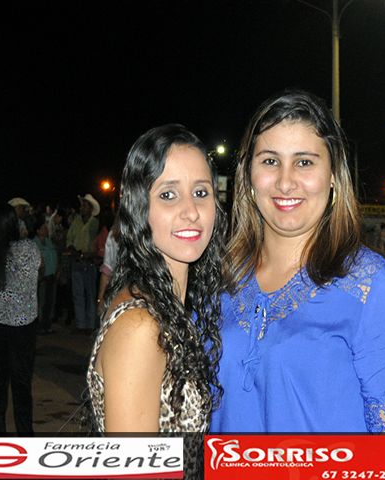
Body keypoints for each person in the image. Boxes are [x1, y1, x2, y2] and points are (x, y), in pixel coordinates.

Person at [211, 90, 385, 433]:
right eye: (270, 161)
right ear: (248, 176)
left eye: (305, 162)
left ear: (333, 176)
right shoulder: (220, 279)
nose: (285, 181)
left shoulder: (369, 285)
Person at [86, 124, 226, 443]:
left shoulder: (166, 307)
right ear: (140, 209)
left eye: (201, 192)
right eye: (168, 195)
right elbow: (133, 464)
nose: (191, 211)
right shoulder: (141, 327)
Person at [0, 204, 41, 433]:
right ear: (14, 224)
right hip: (22, 325)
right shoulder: (28, 249)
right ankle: (25, 434)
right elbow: (30, 279)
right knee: (21, 383)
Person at [66, 193, 99, 332]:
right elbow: (69, 238)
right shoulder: (76, 221)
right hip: (77, 261)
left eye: (85, 206)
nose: (82, 208)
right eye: (82, 206)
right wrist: (72, 248)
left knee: (90, 295)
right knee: (78, 295)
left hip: (89, 262)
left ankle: (90, 325)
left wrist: (89, 253)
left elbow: (97, 245)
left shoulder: (95, 223)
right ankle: (81, 325)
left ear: (91, 208)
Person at [33, 215, 58, 334]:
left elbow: (54, 256)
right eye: (43, 228)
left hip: (51, 275)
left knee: (50, 301)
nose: (46, 230)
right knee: (41, 302)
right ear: (38, 230)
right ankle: (40, 325)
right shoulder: (34, 243)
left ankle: (47, 325)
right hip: (42, 277)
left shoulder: (49, 242)